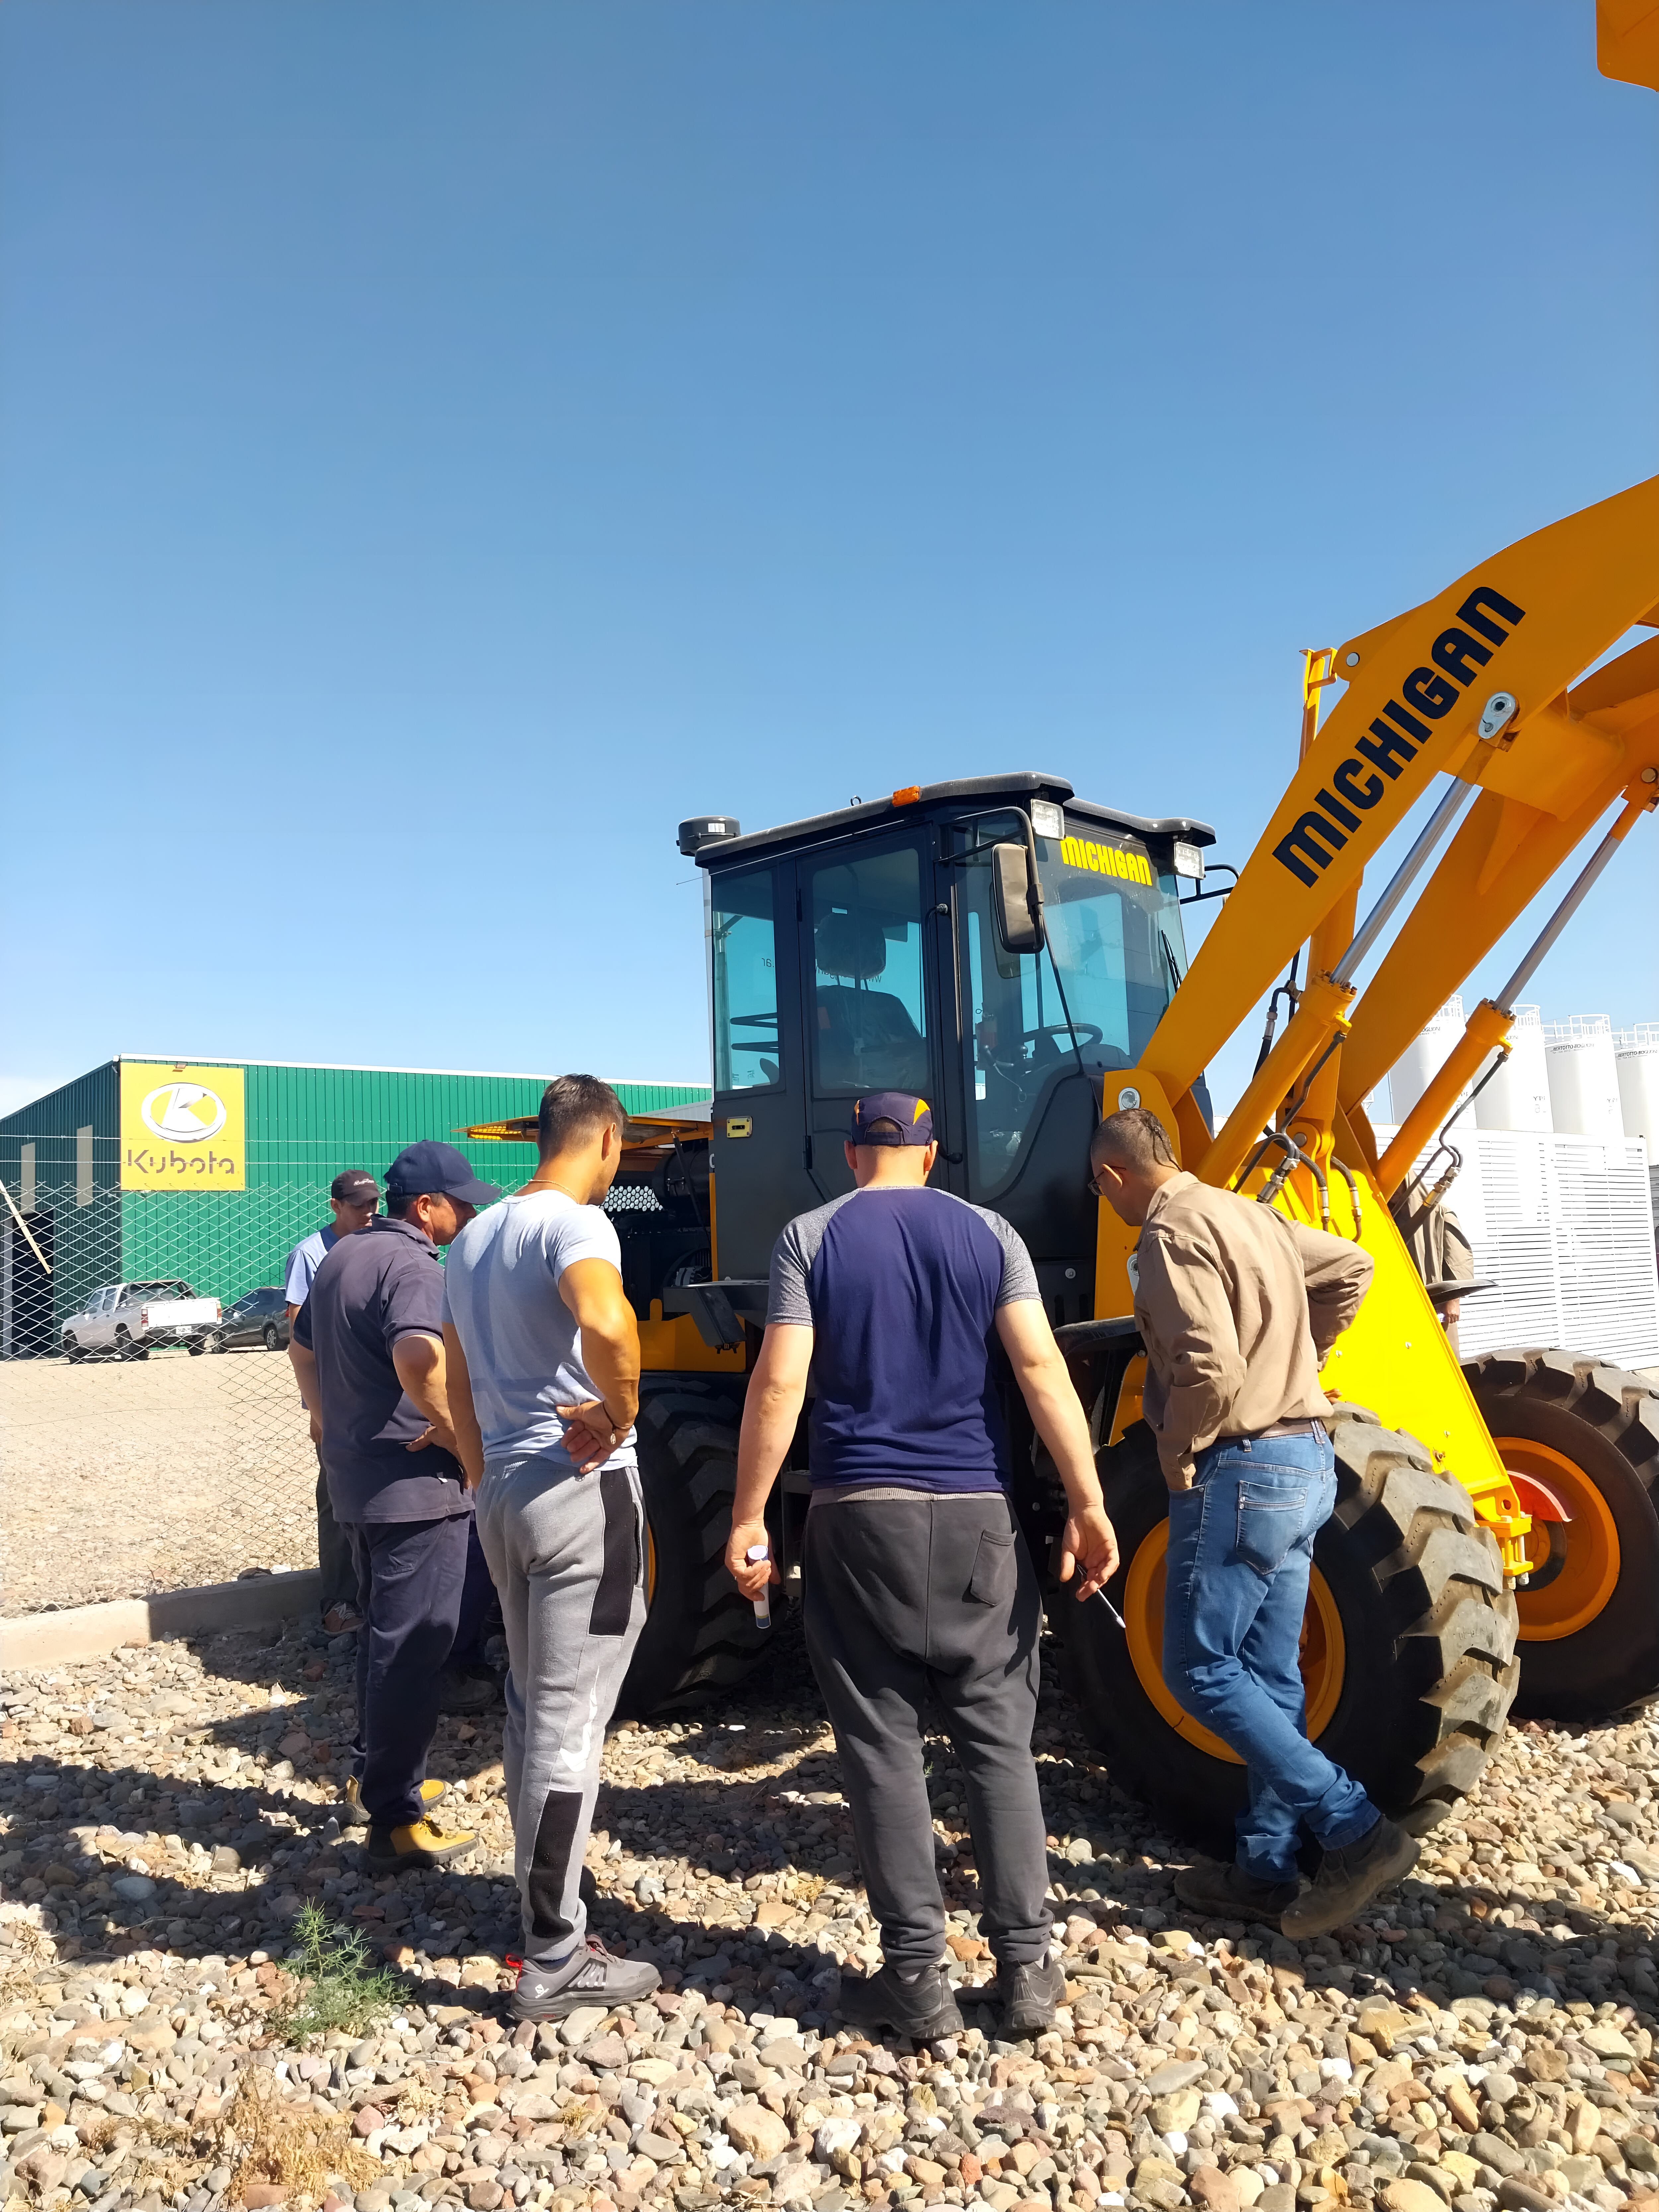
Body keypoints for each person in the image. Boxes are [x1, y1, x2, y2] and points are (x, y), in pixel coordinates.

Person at [727, 1092, 1119, 2043]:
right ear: (934, 1153)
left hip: (860, 1517)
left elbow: (781, 1378)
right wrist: (1088, 1497)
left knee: (882, 1747)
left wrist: (748, 1515)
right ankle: (1028, 1969)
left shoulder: (808, 1238)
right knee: (997, 1741)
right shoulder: (993, 1235)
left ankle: (917, 1978)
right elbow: (1038, 1369)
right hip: (979, 1514)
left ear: (855, 1154)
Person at [1086, 1106, 1411, 1938]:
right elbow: (1351, 1265)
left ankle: (1355, 1830)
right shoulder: (1250, 1213)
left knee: (1197, 1667)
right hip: (1306, 1461)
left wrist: (1174, 1449)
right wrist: (1303, 1357)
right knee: (1270, 1678)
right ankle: (1264, 1868)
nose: (1109, 1202)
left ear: (1114, 1174)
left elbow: (1207, 1367)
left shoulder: (1166, 1234)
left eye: (1104, 1189)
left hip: (1240, 1469)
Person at [442, 1075, 660, 2022]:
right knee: (570, 1724)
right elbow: (608, 1319)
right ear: (606, 1141)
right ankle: (557, 1951)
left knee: (535, 1712)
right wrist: (624, 1409)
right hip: (584, 1495)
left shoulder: (473, 1236)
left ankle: (545, 1913)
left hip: (505, 1497)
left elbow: (449, 1369)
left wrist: (482, 1463)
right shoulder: (577, 1225)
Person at [289, 1140, 500, 1873]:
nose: (469, 1214)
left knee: (385, 1635)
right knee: (415, 1648)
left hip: (357, 1480)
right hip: (417, 1493)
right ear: (425, 1206)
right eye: (462, 1203)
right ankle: (396, 1820)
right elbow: (418, 1357)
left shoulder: (342, 1254)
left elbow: (300, 1344)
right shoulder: (414, 1266)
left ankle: (369, 1775)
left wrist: (324, 1420)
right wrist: (459, 1440)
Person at [285, 1169, 381, 1636]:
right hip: (335, 1400)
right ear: (335, 1207)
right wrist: (318, 1410)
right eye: (359, 1204)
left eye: (373, 1203)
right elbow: (302, 1336)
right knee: (339, 1497)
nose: (369, 1211)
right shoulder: (311, 1255)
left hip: (380, 1394)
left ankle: (380, 1595)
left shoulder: (381, 1240)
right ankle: (341, 1601)